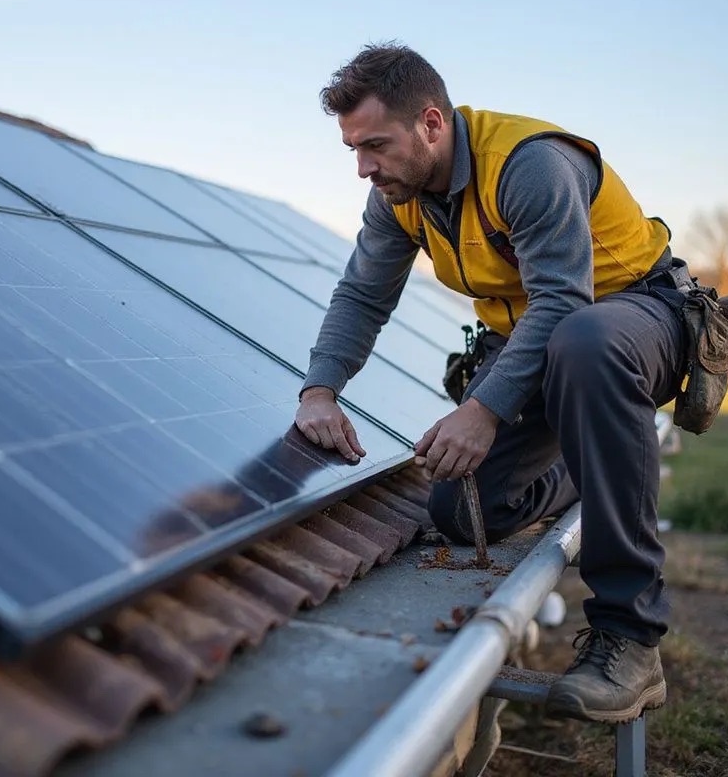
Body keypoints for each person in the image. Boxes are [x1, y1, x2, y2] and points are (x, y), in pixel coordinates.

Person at [294, 42, 691, 724]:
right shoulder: (399, 198)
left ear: (431, 123)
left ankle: (630, 638)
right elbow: (362, 296)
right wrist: (319, 391)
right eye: (353, 149)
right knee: (461, 509)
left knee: (585, 342)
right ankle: (589, 460)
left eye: (376, 145)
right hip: (543, 338)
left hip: (636, 316)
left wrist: (483, 410)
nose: (363, 168)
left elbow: (566, 302)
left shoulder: (528, 165)